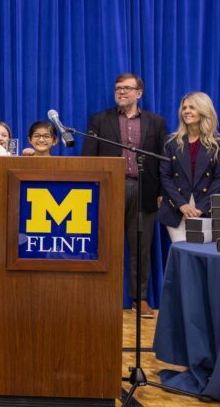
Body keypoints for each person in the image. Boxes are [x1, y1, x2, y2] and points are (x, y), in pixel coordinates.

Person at [82, 73, 167, 318]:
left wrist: (161, 192)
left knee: (140, 247)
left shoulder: (156, 122)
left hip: (144, 190)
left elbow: (163, 160)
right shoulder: (100, 119)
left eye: (127, 89)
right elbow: (89, 157)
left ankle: (139, 299)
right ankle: (102, 296)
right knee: (105, 245)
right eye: (118, 88)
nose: (121, 92)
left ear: (139, 93)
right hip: (109, 190)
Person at [158, 92, 220, 242]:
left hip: (206, 207)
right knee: (181, 253)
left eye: (192, 107)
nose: (186, 111)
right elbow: (165, 176)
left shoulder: (216, 143)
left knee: (202, 256)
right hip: (176, 207)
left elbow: (218, 179)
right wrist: (182, 205)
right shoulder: (171, 142)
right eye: (184, 107)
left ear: (203, 111)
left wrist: (202, 208)